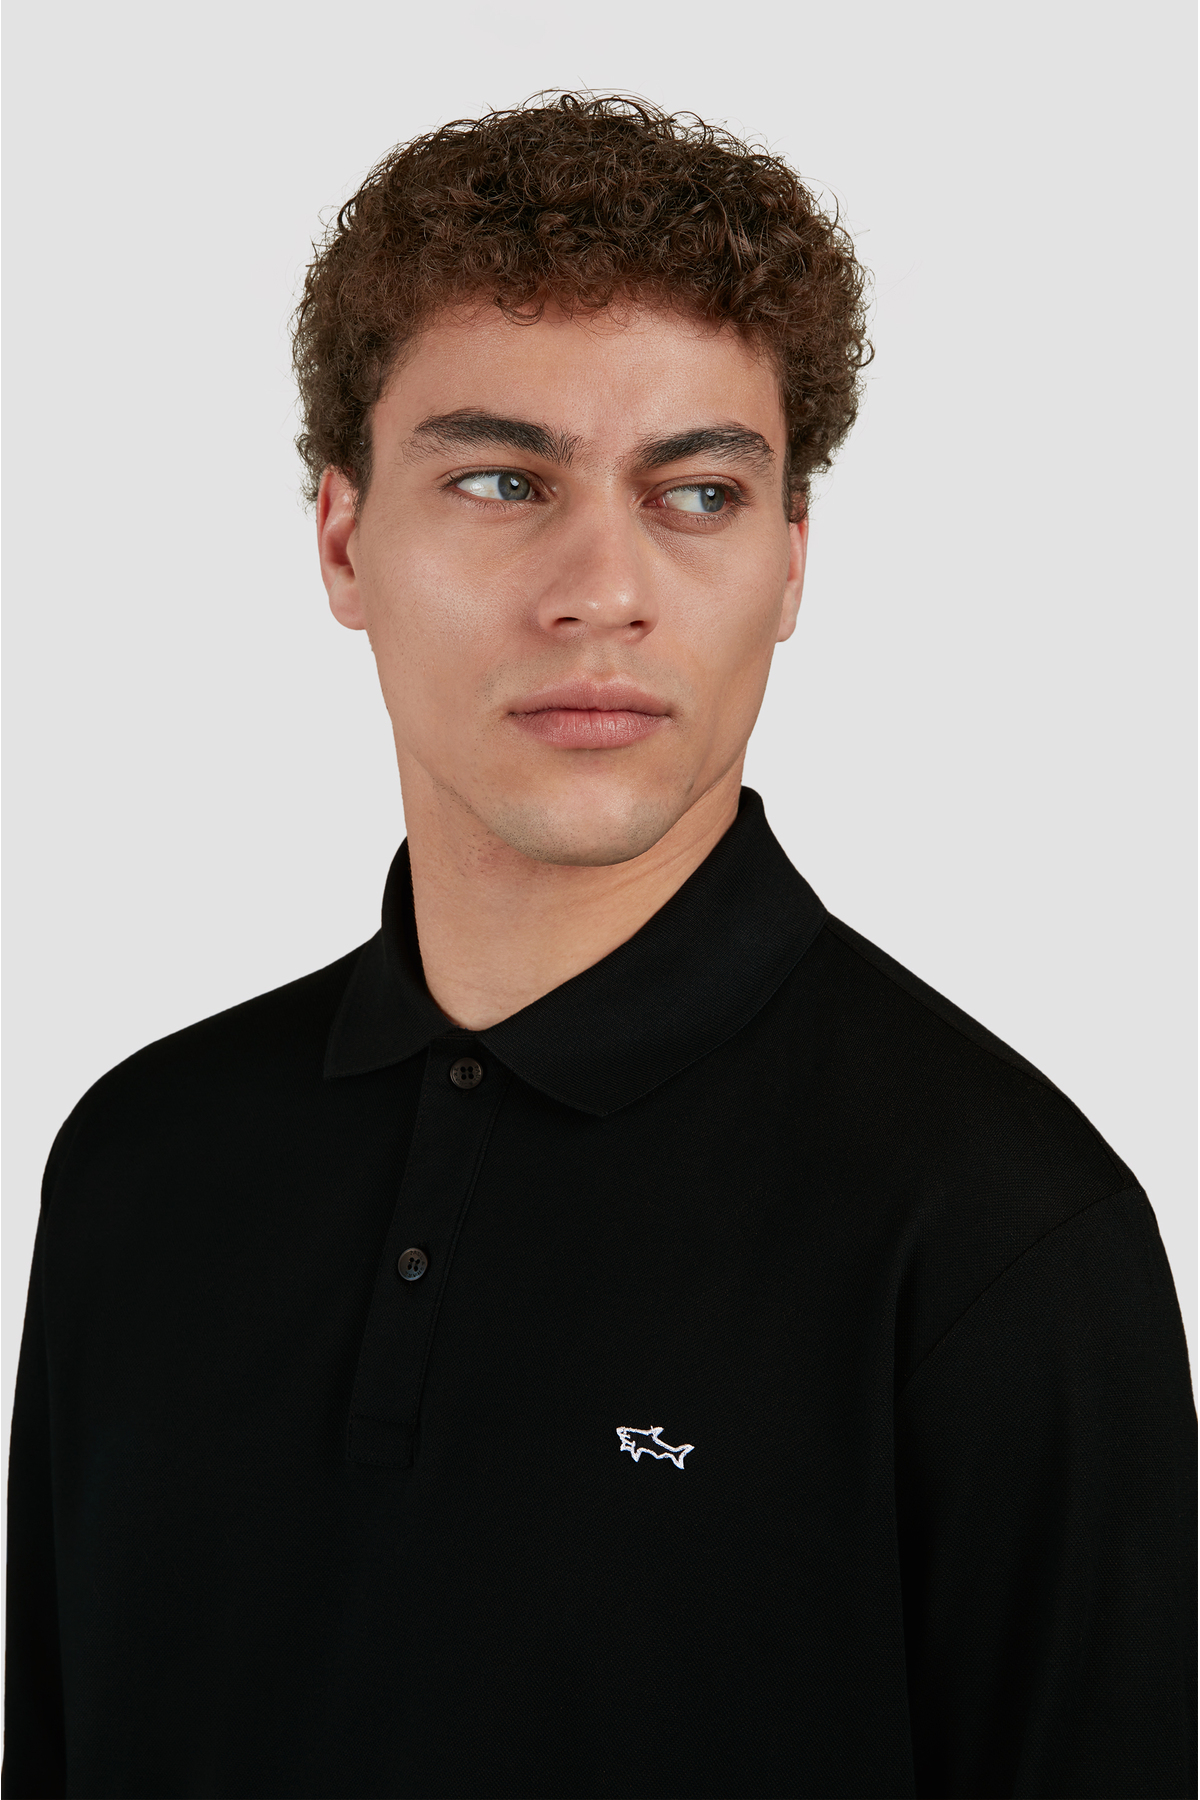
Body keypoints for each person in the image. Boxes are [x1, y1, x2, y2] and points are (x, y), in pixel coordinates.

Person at [4, 93, 1194, 1800]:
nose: (600, 590)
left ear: (791, 562)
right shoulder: (139, 1167)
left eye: (696, 493)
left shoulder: (997, 1236)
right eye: (502, 480)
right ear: (343, 538)